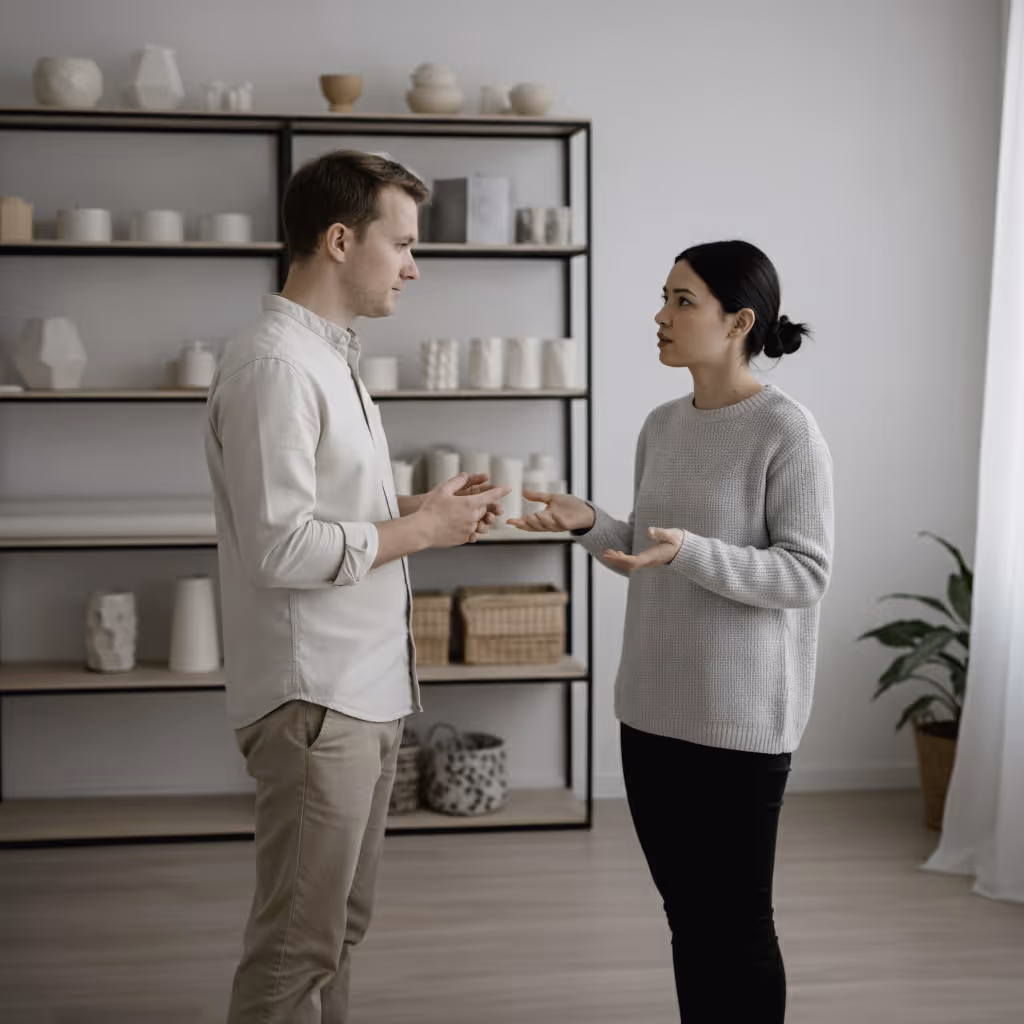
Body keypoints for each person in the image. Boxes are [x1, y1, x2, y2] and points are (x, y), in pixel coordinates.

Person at [205, 149, 508, 1023]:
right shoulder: (276, 368)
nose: (415, 267)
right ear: (341, 240)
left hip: (361, 692)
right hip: (316, 698)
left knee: (338, 933)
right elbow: (281, 548)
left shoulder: (326, 358)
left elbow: (329, 511)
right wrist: (420, 530)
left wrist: (420, 508)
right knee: (297, 947)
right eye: (403, 244)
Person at [509, 239, 834, 1022]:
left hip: (739, 722)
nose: (660, 315)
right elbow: (649, 557)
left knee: (737, 924)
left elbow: (804, 574)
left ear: (738, 321)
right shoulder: (661, 426)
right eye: (665, 297)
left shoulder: (786, 432)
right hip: (650, 712)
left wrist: (689, 548)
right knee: (688, 920)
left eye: (682, 301)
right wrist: (590, 523)